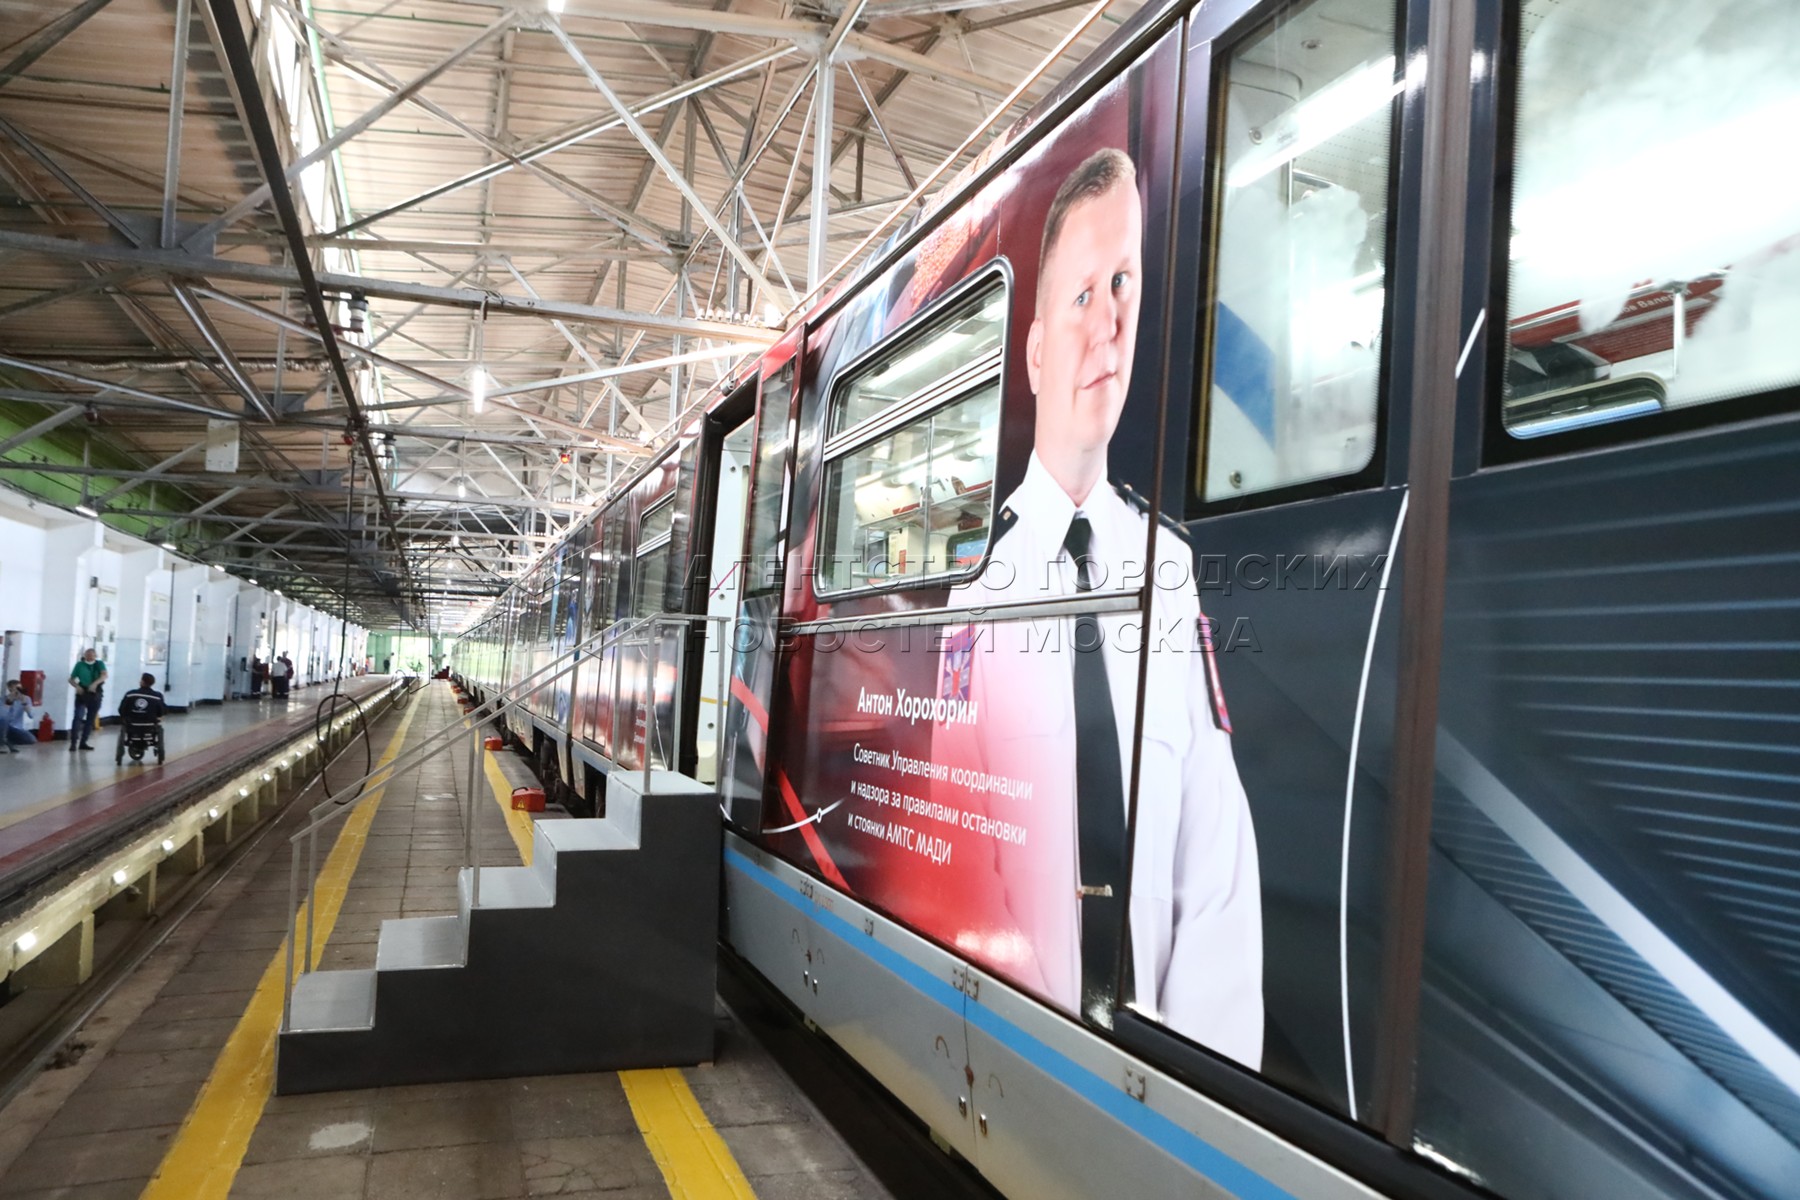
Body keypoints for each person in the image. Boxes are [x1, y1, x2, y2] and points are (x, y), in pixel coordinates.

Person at [946, 148, 1263, 1067]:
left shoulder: (1170, 569)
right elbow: (965, 847)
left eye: (1123, 285)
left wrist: (1191, 1076)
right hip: (1020, 1045)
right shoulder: (977, 590)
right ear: (1037, 352)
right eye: (1081, 294)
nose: (1109, 322)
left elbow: (1216, 855)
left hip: (1159, 1061)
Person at [68, 647, 107, 752]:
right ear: (84, 655)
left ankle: (83, 742)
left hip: (95, 693)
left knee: (90, 719)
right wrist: (77, 686)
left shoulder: (99, 664)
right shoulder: (79, 665)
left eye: (92, 655)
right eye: (87, 655)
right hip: (82, 692)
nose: (89, 657)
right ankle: (73, 743)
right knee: (78, 717)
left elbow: (104, 676)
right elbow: (71, 679)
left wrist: (95, 684)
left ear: (95, 656)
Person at [3, 679, 37, 753]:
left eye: (20, 688)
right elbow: (3, 716)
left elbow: (31, 715)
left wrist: (24, 703)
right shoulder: (4, 699)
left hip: (17, 728)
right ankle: (5, 743)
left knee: (31, 739)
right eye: (16, 689)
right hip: (5, 726)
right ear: (10, 689)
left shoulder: (26, 699)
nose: (18, 691)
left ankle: (8, 742)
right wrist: (10, 701)